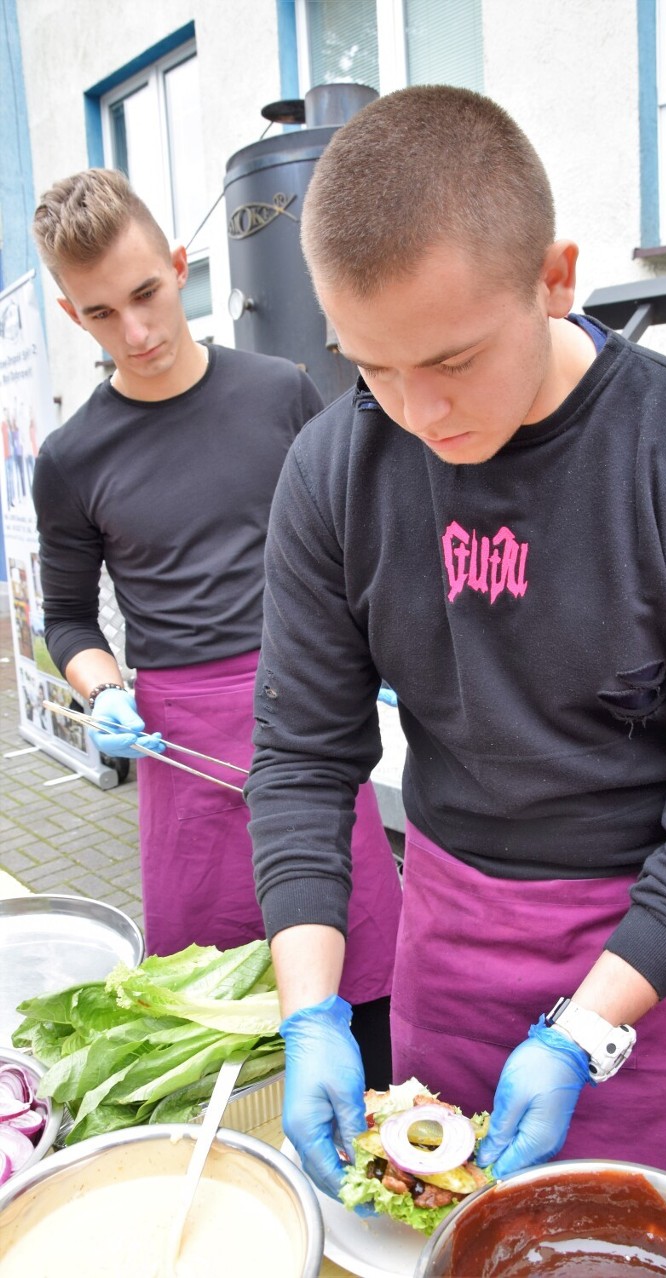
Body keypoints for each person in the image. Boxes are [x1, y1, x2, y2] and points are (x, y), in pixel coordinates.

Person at [245, 86, 666, 1220]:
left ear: (556, 277)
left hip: (654, 959)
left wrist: (584, 1031)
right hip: (448, 938)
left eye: (451, 360)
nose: (416, 411)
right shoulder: (331, 472)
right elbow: (304, 757)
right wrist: (308, 1009)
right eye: (371, 365)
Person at [30, 168, 402, 1085]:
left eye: (148, 294)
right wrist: (104, 691)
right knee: (212, 1018)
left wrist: (389, 651)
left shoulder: (281, 393)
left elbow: (363, 546)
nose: (139, 332)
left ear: (182, 267)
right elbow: (69, 620)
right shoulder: (73, 459)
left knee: (369, 990)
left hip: (307, 721)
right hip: (178, 746)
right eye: (102, 314)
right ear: (75, 317)